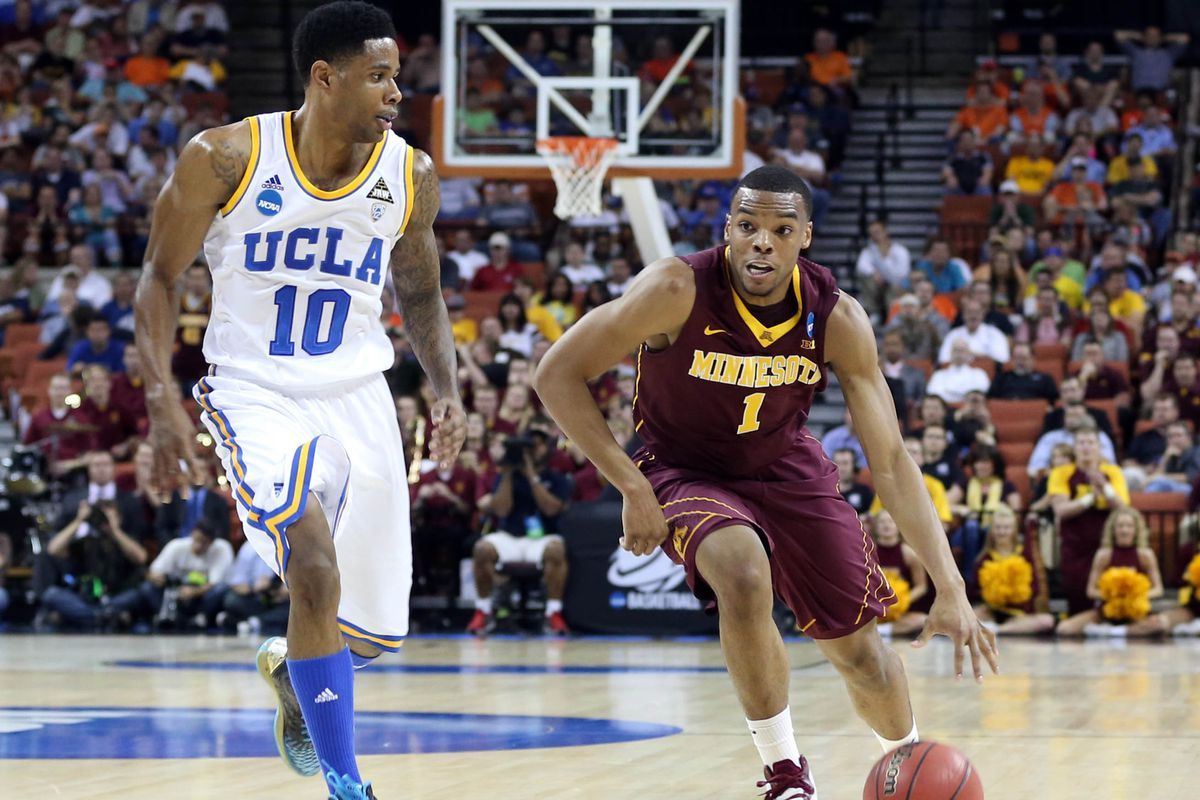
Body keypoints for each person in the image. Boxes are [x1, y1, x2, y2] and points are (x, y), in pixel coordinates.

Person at [534, 165, 996, 799]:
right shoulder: (675, 288)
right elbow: (556, 374)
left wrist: (950, 585)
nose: (761, 242)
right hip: (681, 469)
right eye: (747, 227)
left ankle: (902, 768)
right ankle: (786, 774)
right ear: (728, 229)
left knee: (863, 659)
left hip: (786, 467)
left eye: (781, 230)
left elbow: (889, 460)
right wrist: (631, 487)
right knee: (743, 570)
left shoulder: (836, 316)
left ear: (805, 236)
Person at [133, 4, 467, 798]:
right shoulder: (225, 157)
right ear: (326, 77)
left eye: (397, 77)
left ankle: (295, 669)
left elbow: (420, 292)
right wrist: (161, 401)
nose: (396, 93)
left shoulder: (408, 175)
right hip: (255, 393)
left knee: (372, 631)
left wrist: (448, 392)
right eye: (379, 77)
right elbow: (157, 278)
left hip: (359, 393)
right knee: (311, 568)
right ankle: (347, 783)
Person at [1048, 426, 1131, 615]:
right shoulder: (1061, 472)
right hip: (1075, 545)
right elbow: (1061, 510)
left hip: (1106, 543)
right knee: (1076, 593)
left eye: (1091, 443)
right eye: (1081, 443)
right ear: (1075, 447)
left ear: (1099, 447)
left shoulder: (1113, 471)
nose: (1086, 447)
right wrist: (1090, 498)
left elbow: (1123, 507)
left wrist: (1105, 487)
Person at [1056, 507, 1163, 636]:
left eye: (1129, 526)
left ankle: (1114, 632)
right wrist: (1113, 596)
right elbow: (1091, 591)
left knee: (1160, 625)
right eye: (1120, 526)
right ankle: (1117, 630)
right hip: (1106, 610)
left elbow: (1158, 589)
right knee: (1064, 628)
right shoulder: (1103, 555)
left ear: (1136, 530)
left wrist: (1133, 596)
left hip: (1136, 611)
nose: (1124, 530)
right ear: (1113, 530)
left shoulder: (1145, 554)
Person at [971, 505, 1054, 635]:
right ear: (992, 530)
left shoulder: (1024, 554)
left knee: (1047, 620)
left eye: (1006, 528)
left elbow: (1034, 587)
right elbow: (975, 590)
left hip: (1019, 613)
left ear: (1014, 530)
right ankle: (991, 626)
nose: (1002, 532)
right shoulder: (984, 558)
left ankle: (998, 630)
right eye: (998, 527)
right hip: (990, 611)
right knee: (968, 616)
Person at [871, 510, 929, 637]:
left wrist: (902, 601)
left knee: (923, 620)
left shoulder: (909, 553)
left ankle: (883, 630)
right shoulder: (869, 552)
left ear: (898, 526)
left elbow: (921, 586)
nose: (886, 525)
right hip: (875, 608)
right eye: (882, 522)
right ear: (875, 527)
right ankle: (878, 628)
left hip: (901, 611)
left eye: (891, 521)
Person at [989, 342, 1058, 402]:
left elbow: (1053, 402)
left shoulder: (1045, 379)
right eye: (1017, 358)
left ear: (1032, 359)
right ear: (1012, 359)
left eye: (1024, 358)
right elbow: (991, 400)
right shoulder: (1001, 378)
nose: (1020, 362)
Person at [926, 339, 990, 403]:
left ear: (968, 353)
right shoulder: (939, 375)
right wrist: (962, 395)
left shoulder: (979, 374)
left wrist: (949, 392)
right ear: (950, 353)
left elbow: (978, 394)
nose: (958, 354)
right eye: (955, 350)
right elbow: (934, 394)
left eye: (962, 350)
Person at [833, 448, 874, 516]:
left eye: (845, 463)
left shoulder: (864, 491)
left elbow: (873, 515)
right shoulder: (826, 492)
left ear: (854, 466)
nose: (841, 468)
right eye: (838, 463)